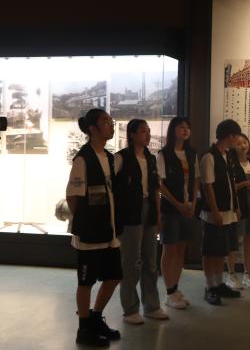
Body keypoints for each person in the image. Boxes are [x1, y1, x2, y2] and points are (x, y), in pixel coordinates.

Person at [66, 108, 122, 347]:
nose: (111, 124)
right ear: (93, 128)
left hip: (109, 231)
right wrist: (84, 222)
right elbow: (72, 197)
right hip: (89, 233)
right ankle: (84, 328)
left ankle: (96, 317)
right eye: (105, 121)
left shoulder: (110, 158)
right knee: (86, 281)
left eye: (110, 120)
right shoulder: (83, 159)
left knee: (114, 276)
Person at [114, 119, 169, 324]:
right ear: (132, 134)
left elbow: (155, 189)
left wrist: (158, 213)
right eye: (143, 131)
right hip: (130, 213)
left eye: (148, 131)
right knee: (131, 262)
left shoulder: (151, 158)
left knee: (150, 261)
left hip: (149, 210)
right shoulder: (121, 158)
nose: (148, 135)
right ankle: (130, 309)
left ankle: (151, 306)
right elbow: (112, 188)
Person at [157, 117, 200, 309]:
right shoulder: (164, 154)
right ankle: (169, 292)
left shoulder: (191, 153)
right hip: (170, 209)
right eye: (181, 127)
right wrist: (177, 204)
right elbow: (160, 184)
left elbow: (196, 179)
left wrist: (193, 203)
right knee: (169, 249)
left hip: (188, 207)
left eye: (188, 127)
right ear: (173, 130)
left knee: (181, 249)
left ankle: (175, 288)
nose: (185, 130)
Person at [199, 119, 242, 305]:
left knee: (221, 251)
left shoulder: (227, 155)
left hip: (228, 212)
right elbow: (208, 187)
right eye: (237, 136)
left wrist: (237, 206)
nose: (238, 140)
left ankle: (218, 284)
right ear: (230, 136)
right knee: (211, 251)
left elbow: (231, 183)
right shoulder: (209, 157)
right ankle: (210, 286)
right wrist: (215, 211)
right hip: (214, 214)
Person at [226, 133, 250, 289]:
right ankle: (231, 275)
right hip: (238, 207)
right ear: (233, 146)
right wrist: (244, 184)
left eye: (245, 142)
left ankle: (247, 274)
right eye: (239, 143)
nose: (243, 145)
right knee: (233, 242)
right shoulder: (230, 164)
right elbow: (229, 187)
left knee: (249, 241)